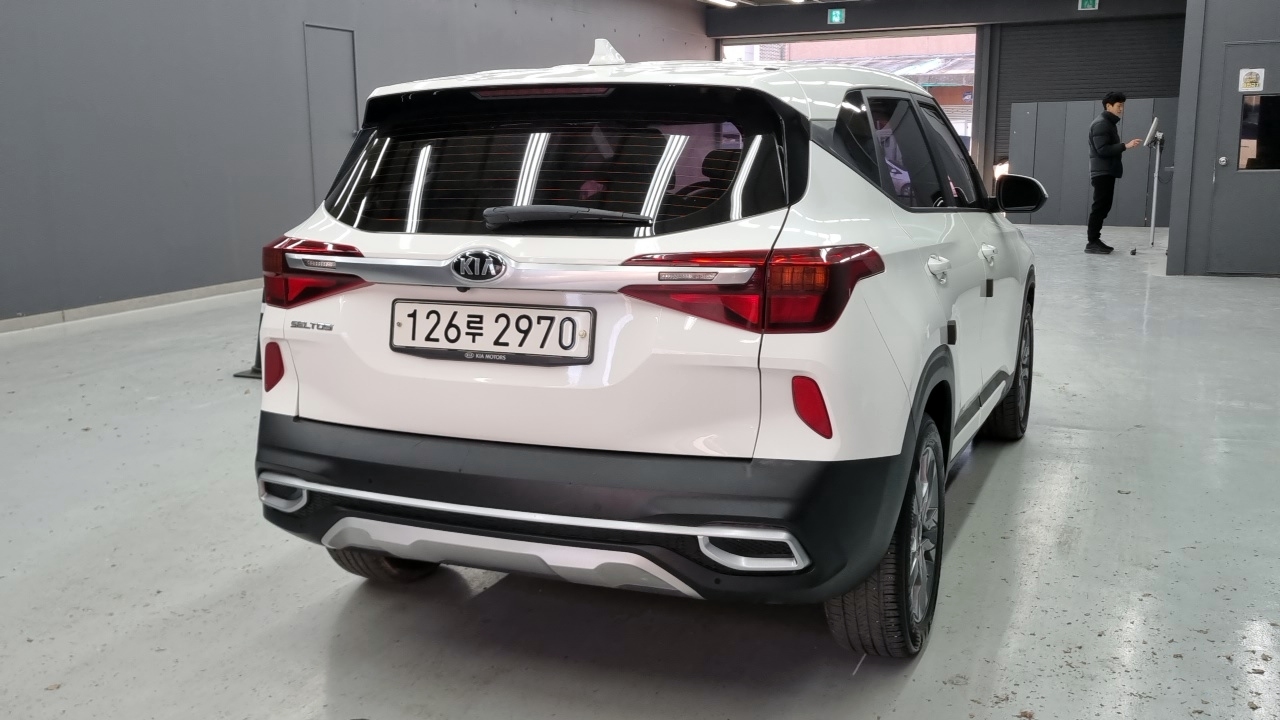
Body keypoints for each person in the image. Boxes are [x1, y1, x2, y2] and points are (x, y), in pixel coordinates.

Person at [1087, 92, 1143, 254]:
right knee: (1100, 207)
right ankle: (1092, 242)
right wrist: (1126, 145)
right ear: (1108, 106)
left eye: (1122, 106)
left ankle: (1094, 240)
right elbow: (1102, 149)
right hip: (1102, 172)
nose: (1121, 109)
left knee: (1103, 206)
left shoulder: (1108, 123)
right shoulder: (1101, 124)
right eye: (1119, 106)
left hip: (1106, 171)